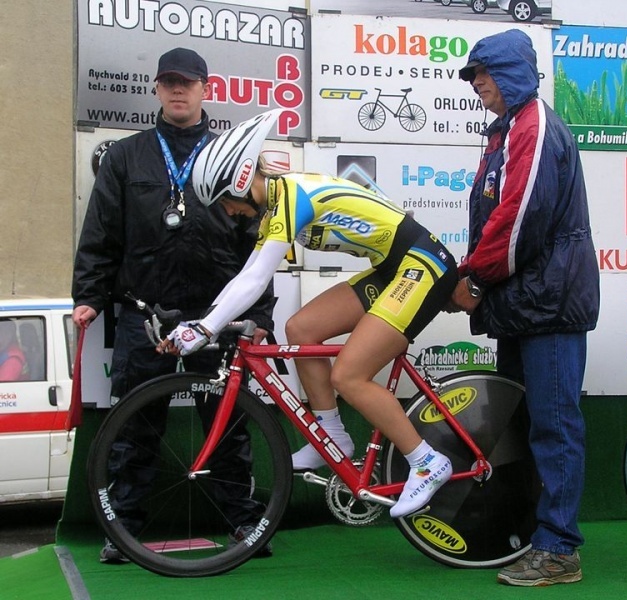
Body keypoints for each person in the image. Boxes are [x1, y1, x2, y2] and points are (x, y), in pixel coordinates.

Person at [159, 109, 459, 519]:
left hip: (423, 265)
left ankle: (427, 461)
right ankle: (332, 433)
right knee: (301, 327)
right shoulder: (277, 206)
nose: (228, 212)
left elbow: (254, 280)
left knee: (349, 375)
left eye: (226, 202)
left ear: (242, 183)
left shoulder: (291, 198)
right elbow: (248, 276)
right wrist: (205, 322)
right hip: (394, 266)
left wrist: (205, 328)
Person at [72, 48, 276, 564]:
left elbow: (260, 241)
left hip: (219, 316)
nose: (177, 90)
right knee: (134, 426)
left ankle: (245, 524)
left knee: (227, 426)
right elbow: (100, 233)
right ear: (157, 89)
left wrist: (261, 316)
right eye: (168, 83)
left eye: (187, 82)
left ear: (206, 88)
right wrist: (89, 296)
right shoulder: (126, 155)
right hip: (147, 313)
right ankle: (124, 529)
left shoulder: (233, 154)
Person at [449, 29, 600, 587]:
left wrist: (475, 278)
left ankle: (559, 549)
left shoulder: (533, 126)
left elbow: (516, 223)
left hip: (549, 306)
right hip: (526, 303)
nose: (476, 84)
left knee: (554, 426)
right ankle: (531, 535)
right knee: (522, 422)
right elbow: (497, 219)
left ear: (511, 73)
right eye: (471, 76)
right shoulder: (509, 130)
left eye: (483, 74)